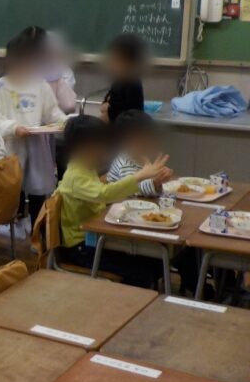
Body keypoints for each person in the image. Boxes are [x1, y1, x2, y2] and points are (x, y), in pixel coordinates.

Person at [57, 115, 171, 288]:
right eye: (101, 145)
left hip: (95, 238)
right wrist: (140, 176)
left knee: (152, 262)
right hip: (81, 247)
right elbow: (105, 194)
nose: (105, 150)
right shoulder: (74, 176)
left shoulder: (86, 169)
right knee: (142, 271)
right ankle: (126, 299)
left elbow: (104, 196)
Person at [0, 31, 68, 227]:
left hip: (36, 148)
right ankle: (11, 229)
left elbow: (52, 113)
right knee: (12, 193)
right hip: (10, 149)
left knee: (38, 195)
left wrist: (65, 122)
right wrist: (14, 128)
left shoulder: (40, 84)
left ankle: (36, 232)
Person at [107, 110, 165, 197]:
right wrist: (155, 182)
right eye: (140, 139)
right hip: (119, 203)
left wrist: (160, 175)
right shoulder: (125, 163)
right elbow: (133, 190)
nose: (148, 142)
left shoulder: (142, 157)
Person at [102, 33, 147, 123]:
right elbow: (107, 100)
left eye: (117, 59)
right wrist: (106, 106)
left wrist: (108, 109)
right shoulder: (118, 80)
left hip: (127, 126)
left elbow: (120, 112)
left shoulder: (132, 82)